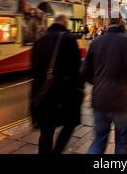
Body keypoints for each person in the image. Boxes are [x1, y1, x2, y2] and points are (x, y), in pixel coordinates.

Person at [81, 17, 127, 154]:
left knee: (99, 139)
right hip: (123, 100)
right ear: (122, 23)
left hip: (100, 100)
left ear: (108, 24)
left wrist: (98, 83)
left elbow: (85, 71)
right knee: (122, 141)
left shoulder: (96, 42)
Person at [30, 14, 84, 154]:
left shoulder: (39, 40)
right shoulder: (69, 40)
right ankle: (57, 151)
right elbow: (75, 69)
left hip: (42, 93)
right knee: (70, 122)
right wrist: (79, 89)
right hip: (63, 94)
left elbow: (33, 69)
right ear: (65, 24)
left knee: (46, 132)